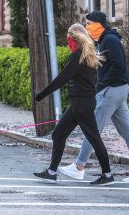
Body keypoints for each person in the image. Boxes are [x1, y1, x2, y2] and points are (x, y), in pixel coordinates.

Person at [59, 11, 129, 183]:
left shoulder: (109, 40)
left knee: (91, 129)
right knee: (126, 130)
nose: (87, 27)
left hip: (111, 90)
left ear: (98, 24)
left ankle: (79, 166)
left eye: (89, 23)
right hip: (118, 89)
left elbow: (118, 66)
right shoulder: (105, 39)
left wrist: (100, 86)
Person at [33, 23, 114, 186]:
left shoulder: (78, 56)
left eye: (68, 38)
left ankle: (107, 175)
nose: (67, 41)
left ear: (74, 38)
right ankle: (51, 172)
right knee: (58, 134)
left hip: (81, 105)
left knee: (94, 138)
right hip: (79, 103)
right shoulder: (86, 55)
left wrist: (41, 95)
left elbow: (62, 78)